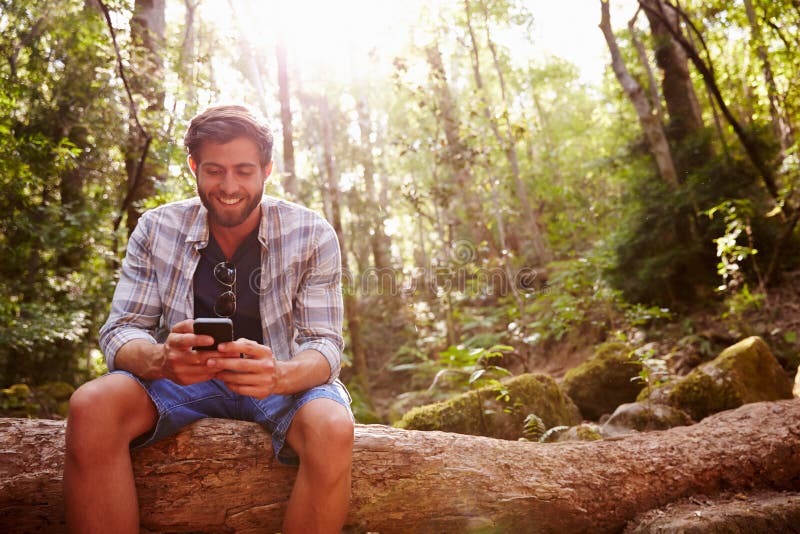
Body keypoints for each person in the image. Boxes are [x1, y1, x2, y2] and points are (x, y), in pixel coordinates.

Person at [63, 104, 354, 534]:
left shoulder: (311, 233)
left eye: (244, 170)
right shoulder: (156, 228)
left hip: (281, 385)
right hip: (180, 383)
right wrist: (160, 360)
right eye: (215, 170)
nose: (229, 186)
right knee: (91, 405)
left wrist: (278, 374)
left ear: (267, 170)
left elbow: (325, 344)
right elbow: (121, 329)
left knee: (333, 426)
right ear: (193, 167)